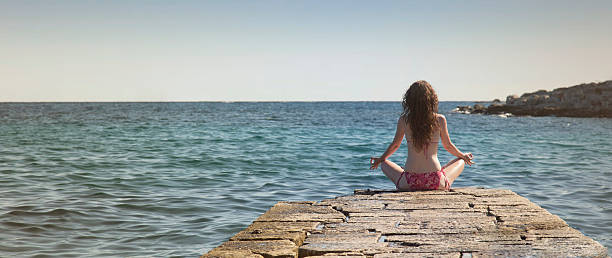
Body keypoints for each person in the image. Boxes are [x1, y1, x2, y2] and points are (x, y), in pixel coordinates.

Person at [369, 80, 474, 191]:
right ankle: (443, 177)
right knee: (461, 161)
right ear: (432, 99)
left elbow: (395, 145)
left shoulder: (404, 120)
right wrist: (463, 156)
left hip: (409, 182)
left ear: (409, 100)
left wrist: (380, 159)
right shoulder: (440, 119)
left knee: (384, 163)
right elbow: (448, 146)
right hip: (435, 181)